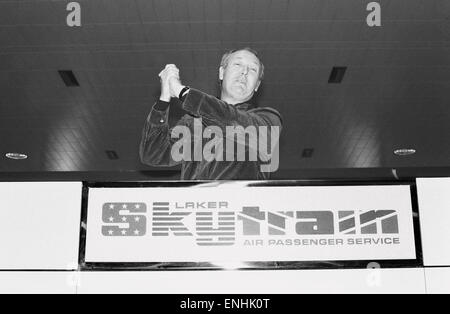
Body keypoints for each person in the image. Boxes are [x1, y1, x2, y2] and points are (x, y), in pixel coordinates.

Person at [139, 48, 282, 180]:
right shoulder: (192, 122)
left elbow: (233, 121)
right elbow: (153, 155)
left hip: (240, 206)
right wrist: (164, 99)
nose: (244, 71)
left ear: (256, 85)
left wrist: (182, 92)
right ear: (221, 73)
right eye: (237, 64)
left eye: (252, 69)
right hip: (198, 206)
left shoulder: (268, 119)